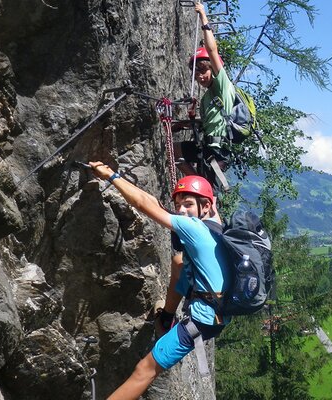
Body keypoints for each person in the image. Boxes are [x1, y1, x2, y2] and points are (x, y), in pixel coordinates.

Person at [87, 162, 231, 400]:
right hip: (215, 313)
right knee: (179, 264)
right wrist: (168, 313)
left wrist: (111, 176)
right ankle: (165, 317)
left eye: (187, 205)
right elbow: (153, 202)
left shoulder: (193, 228)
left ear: (204, 206)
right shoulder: (216, 227)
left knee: (144, 371)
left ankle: (166, 320)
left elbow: (142, 205)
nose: (182, 211)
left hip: (202, 320)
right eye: (178, 206)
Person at [174, 2, 236, 186]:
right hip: (207, 147)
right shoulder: (207, 97)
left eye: (203, 71)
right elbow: (210, 122)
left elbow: (212, 50)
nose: (200, 76)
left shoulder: (223, 86)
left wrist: (203, 16)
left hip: (217, 151)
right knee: (175, 151)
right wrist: (185, 123)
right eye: (196, 73)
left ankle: (200, 185)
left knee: (208, 195)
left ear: (212, 69)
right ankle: (198, 183)